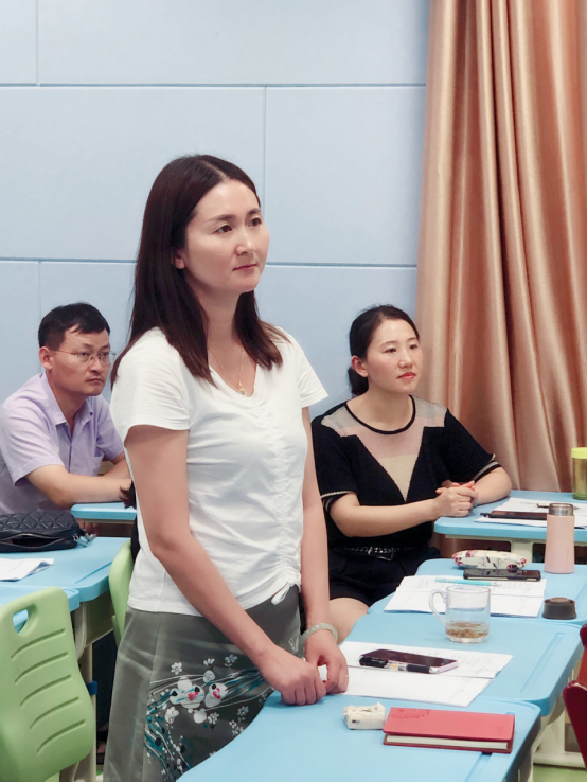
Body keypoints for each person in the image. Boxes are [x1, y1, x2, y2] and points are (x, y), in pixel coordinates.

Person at [104, 155, 347, 782]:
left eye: (255, 221)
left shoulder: (281, 350)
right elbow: (168, 537)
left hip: (278, 620)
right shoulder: (155, 365)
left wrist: (318, 621)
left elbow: (306, 501)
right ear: (176, 252)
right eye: (223, 227)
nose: (247, 242)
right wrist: (264, 653)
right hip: (189, 636)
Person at [312, 305, 512, 642]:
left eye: (413, 346)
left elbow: (499, 478)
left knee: (459, 636)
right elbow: (348, 519)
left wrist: (466, 496)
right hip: (347, 575)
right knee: (372, 640)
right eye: (391, 350)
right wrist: (436, 508)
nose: (407, 360)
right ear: (360, 365)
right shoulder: (331, 430)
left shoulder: (435, 420)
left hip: (419, 569)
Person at [0, 302, 130, 515]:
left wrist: (88, 502)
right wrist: (135, 489)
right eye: (84, 354)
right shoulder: (20, 411)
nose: (98, 367)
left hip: (74, 531)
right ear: (46, 358)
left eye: (104, 354)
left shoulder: (94, 403)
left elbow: (131, 460)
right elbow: (60, 491)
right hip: (20, 533)